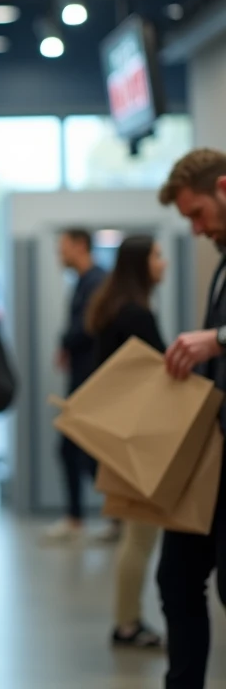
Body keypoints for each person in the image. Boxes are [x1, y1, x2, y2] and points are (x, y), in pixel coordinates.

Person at [154, 148, 226, 689]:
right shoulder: (223, 261)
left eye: (198, 213)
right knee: (177, 577)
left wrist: (218, 340)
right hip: (213, 451)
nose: (197, 229)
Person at [85, 235, 168, 649]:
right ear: (140, 264)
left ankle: (127, 620)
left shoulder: (114, 308)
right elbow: (163, 373)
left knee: (135, 533)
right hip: (141, 438)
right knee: (140, 535)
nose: (163, 263)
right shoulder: (135, 314)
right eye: (156, 255)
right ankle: (127, 624)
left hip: (123, 434)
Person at [45, 228, 110, 542]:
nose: (60, 255)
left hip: (92, 384)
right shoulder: (85, 283)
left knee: (87, 453)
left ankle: (114, 517)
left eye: (64, 248)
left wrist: (67, 343)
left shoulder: (98, 282)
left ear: (81, 246)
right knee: (73, 450)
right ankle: (82, 518)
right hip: (82, 382)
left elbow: (86, 328)